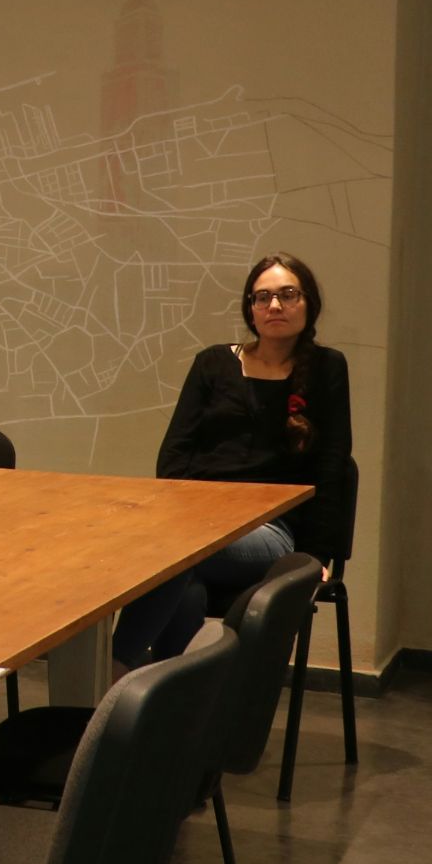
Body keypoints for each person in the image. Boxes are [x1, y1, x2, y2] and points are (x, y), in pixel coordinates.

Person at [111, 252, 351, 669]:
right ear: (250, 310)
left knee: (175, 552)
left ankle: (112, 672)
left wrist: (314, 557)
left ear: (307, 303)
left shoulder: (327, 368)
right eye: (262, 298)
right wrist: (177, 514)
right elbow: (174, 456)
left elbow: (332, 467)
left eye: (287, 295)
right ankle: (167, 702)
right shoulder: (214, 363)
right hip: (193, 522)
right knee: (185, 585)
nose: (274, 306)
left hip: (271, 530)